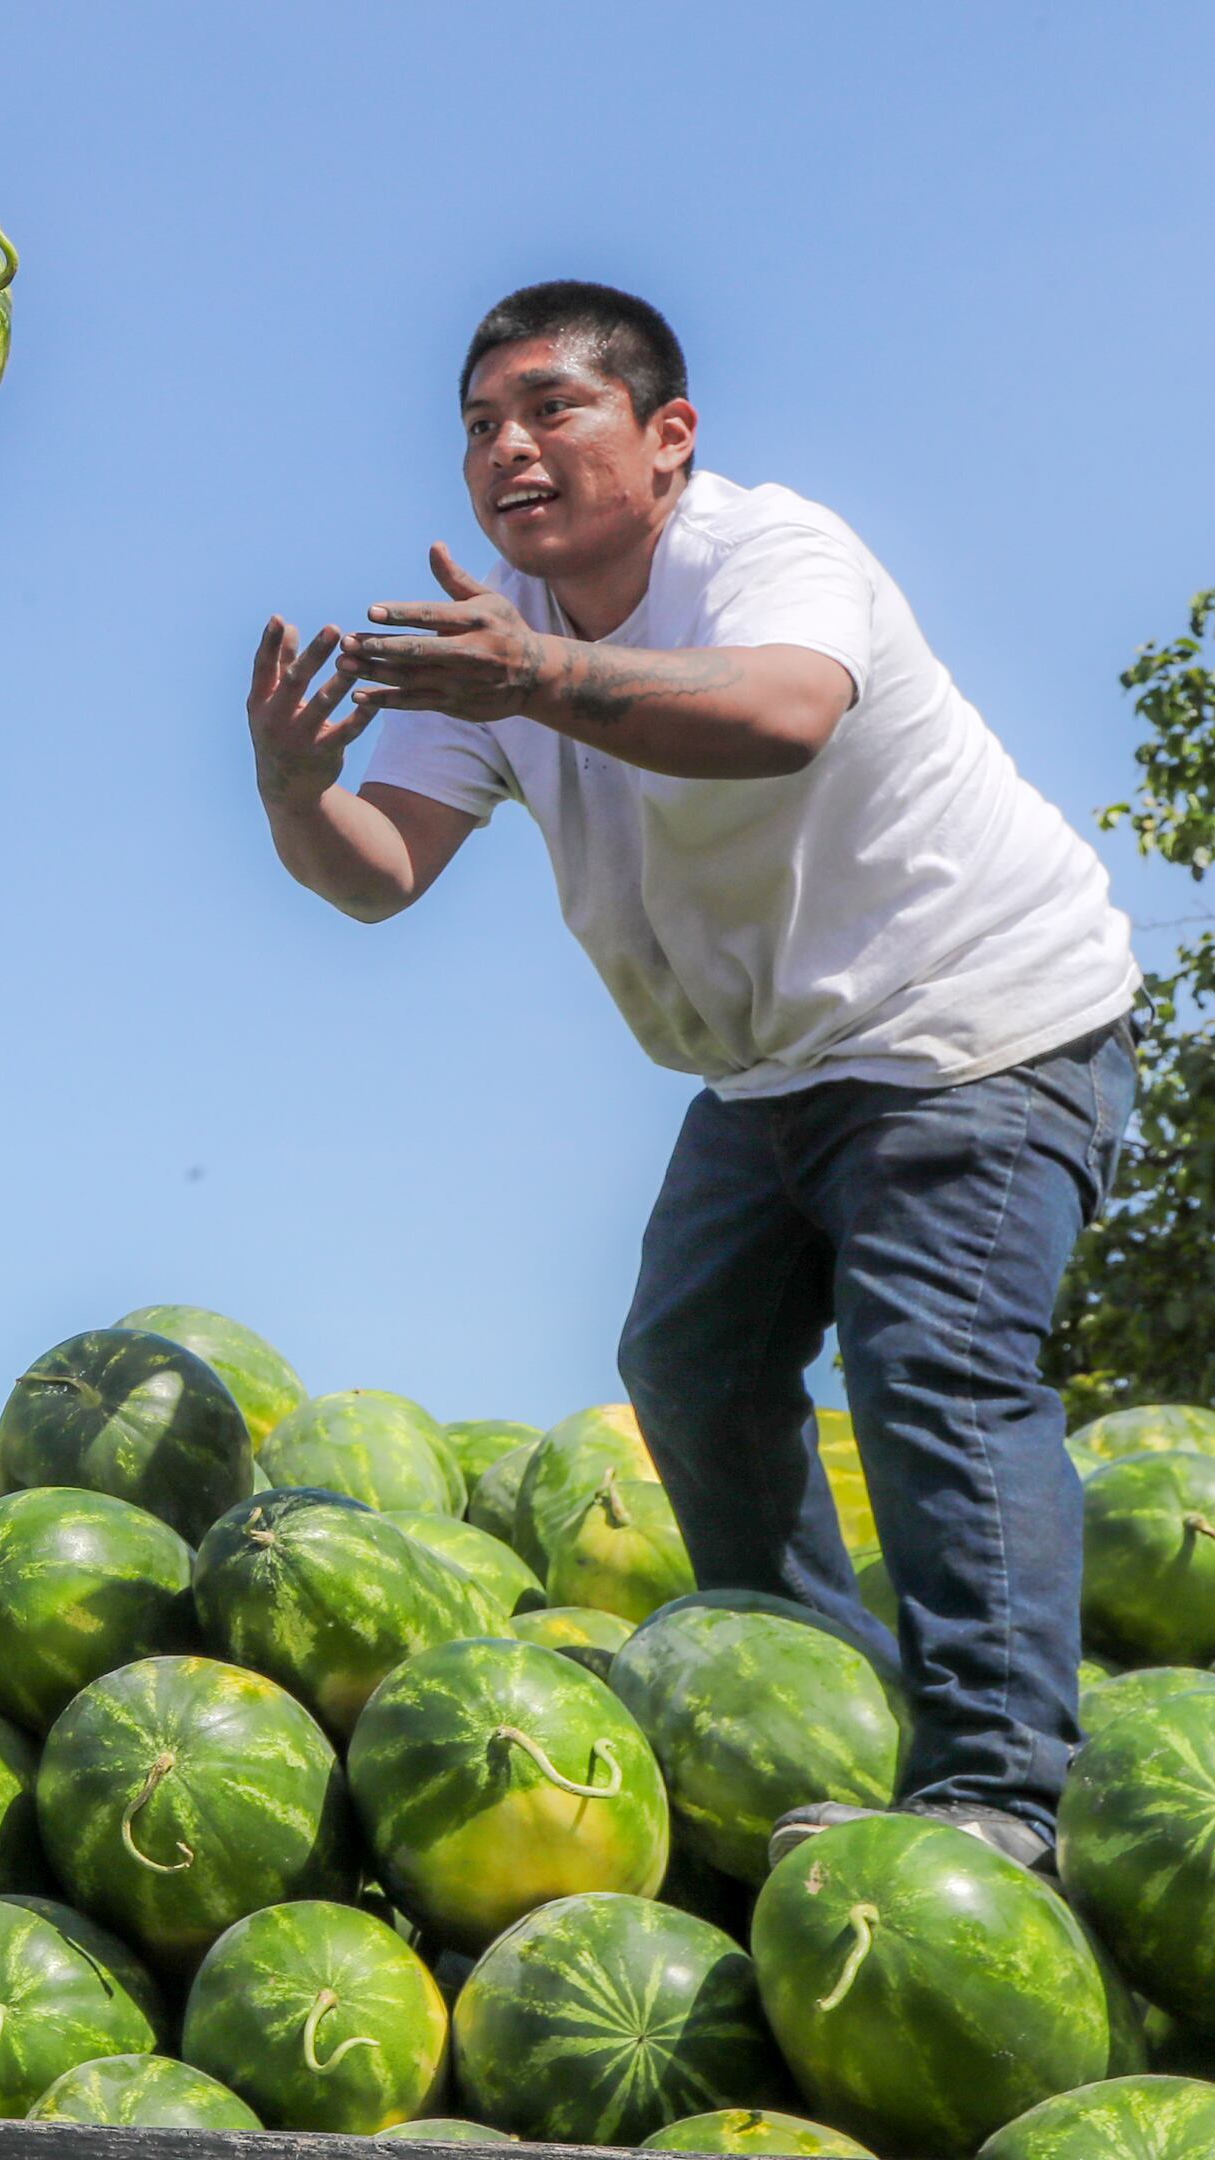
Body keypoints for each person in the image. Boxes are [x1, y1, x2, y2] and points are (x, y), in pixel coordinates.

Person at [244, 281, 1139, 1870]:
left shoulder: (766, 550)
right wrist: (296, 789)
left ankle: (1006, 1798)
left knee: (931, 1367)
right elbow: (381, 872)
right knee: (692, 1368)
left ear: (667, 440)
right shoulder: (495, 650)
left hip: (977, 1027)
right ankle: (836, 1713)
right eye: (476, 427)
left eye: (548, 409)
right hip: (770, 1075)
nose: (506, 449)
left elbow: (784, 712)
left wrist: (534, 680)